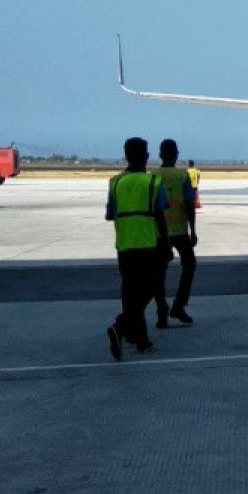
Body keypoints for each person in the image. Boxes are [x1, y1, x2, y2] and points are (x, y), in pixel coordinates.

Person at [105, 137, 169, 360]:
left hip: (124, 245)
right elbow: (160, 214)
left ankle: (140, 341)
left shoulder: (115, 183)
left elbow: (109, 214)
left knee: (130, 292)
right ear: (147, 156)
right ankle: (122, 324)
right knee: (152, 288)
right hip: (149, 244)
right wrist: (167, 243)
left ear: (126, 156)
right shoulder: (153, 182)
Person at [153, 139, 197, 328]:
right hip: (179, 230)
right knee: (189, 265)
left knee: (159, 273)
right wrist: (193, 230)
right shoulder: (183, 176)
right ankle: (178, 305)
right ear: (176, 154)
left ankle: (161, 313)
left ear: (160, 155)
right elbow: (189, 205)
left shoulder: (152, 177)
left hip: (159, 234)